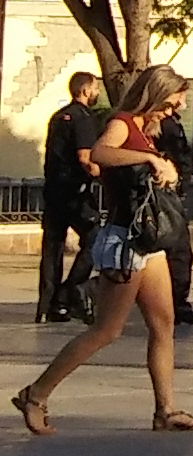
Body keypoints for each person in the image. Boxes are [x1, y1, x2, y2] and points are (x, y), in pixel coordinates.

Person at [12, 66, 193, 434]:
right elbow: (100, 153)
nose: (171, 112)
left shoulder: (149, 131)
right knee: (106, 331)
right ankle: (36, 394)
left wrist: (167, 170)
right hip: (127, 241)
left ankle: (166, 410)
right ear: (154, 95)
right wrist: (148, 159)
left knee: (163, 325)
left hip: (150, 242)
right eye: (169, 104)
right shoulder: (122, 123)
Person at [35, 72, 105, 325]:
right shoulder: (83, 118)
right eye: (96, 88)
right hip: (75, 193)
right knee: (95, 238)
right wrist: (104, 175)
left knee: (52, 248)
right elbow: (85, 158)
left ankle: (46, 306)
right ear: (86, 91)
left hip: (53, 190)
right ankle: (68, 294)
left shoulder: (58, 117)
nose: (97, 93)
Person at [151, 94, 193, 329]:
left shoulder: (170, 121)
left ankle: (175, 305)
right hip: (165, 195)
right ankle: (176, 305)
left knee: (175, 253)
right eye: (182, 94)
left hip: (172, 193)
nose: (185, 99)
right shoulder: (161, 124)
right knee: (178, 252)